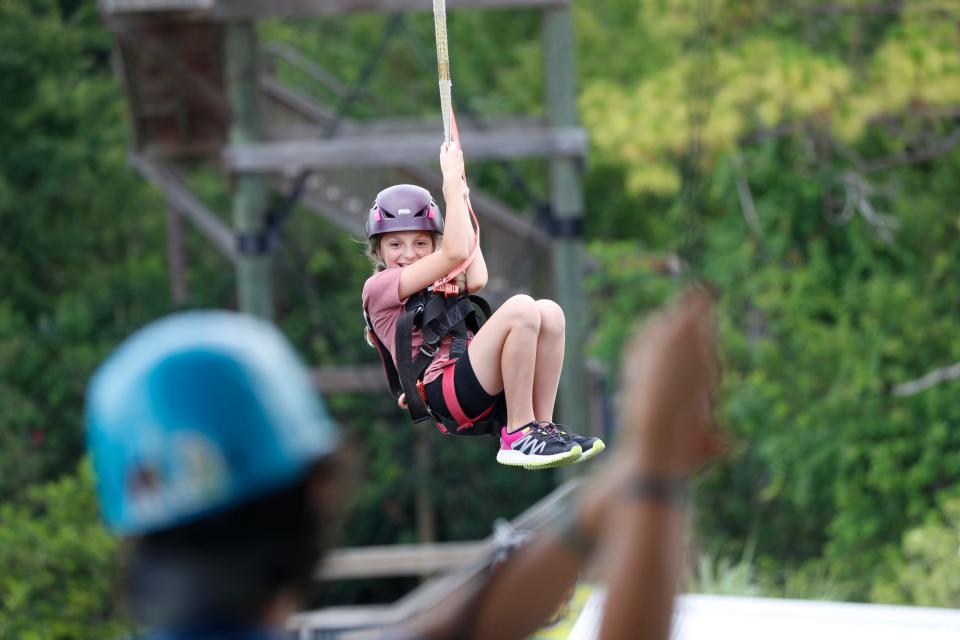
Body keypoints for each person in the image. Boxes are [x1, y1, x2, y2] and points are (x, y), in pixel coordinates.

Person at [86, 289, 723, 640]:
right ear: (322, 488)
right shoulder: (392, 298)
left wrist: (605, 503)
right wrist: (654, 468)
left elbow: (441, 630)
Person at [362, 142, 604, 469]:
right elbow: (456, 252)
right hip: (444, 390)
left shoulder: (435, 275)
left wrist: (460, 197)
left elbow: (476, 276)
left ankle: (541, 429)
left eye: (420, 243)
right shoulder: (380, 287)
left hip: (473, 378)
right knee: (520, 308)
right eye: (395, 244)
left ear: (434, 243)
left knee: (550, 313)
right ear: (378, 251)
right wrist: (448, 182)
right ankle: (518, 434)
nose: (408, 254)